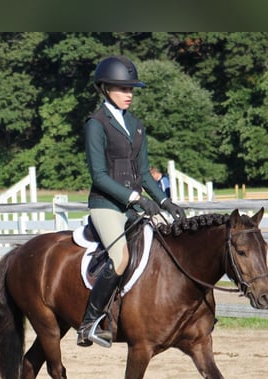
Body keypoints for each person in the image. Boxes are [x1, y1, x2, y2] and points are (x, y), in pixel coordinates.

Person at [77, 55, 186, 348]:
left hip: (133, 205)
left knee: (169, 244)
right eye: (123, 89)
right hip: (106, 206)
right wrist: (136, 198)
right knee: (121, 258)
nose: (129, 95)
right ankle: (90, 322)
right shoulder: (96, 124)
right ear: (105, 88)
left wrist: (165, 202)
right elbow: (99, 175)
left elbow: (145, 174)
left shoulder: (136, 126)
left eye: (131, 90)